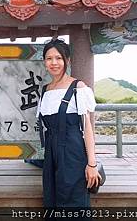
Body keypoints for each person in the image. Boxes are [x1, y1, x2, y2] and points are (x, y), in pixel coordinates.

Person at [37, 38, 100, 207]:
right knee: (52, 200)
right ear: (44, 62)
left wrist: (92, 163)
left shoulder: (78, 87)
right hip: (51, 153)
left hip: (73, 151)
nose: (54, 63)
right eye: (49, 58)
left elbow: (87, 128)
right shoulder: (45, 90)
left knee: (72, 202)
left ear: (67, 60)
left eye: (58, 58)